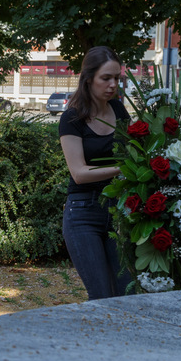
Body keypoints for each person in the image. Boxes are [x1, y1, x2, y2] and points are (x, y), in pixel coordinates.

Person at [59, 46, 132, 300]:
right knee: (101, 296)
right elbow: (79, 173)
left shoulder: (119, 110)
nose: (113, 85)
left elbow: (134, 152)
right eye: (106, 78)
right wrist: (123, 169)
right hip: (83, 214)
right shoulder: (72, 118)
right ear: (89, 78)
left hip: (118, 212)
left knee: (128, 292)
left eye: (117, 78)